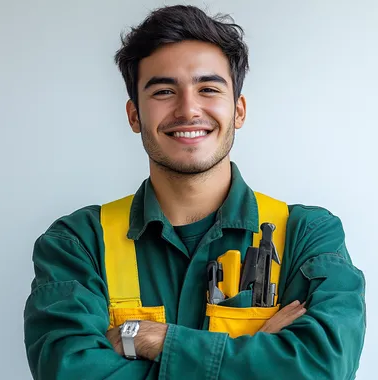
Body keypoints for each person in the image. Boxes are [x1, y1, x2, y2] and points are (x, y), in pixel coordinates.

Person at [24, 5, 366, 379]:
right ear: (134, 115)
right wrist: (259, 357)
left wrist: (154, 339)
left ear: (238, 111)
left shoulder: (308, 235)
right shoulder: (78, 244)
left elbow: (323, 368)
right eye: (164, 91)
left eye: (208, 88)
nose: (188, 109)